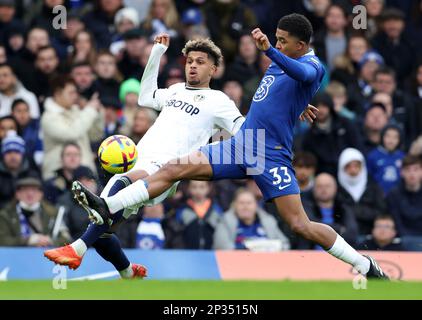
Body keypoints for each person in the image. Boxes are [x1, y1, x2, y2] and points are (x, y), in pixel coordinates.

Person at [73, 14, 388, 279]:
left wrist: (270, 52)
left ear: (300, 45)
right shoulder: (283, 60)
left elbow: (304, 74)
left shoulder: (310, 64)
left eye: (282, 41)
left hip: (270, 155)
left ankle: (364, 264)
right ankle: (109, 205)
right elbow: (287, 90)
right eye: (275, 39)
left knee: (299, 224)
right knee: (174, 167)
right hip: (242, 143)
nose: (277, 44)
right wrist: (299, 102)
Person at [45, 33, 317, 277]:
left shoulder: (219, 101)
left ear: (213, 68)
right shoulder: (175, 91)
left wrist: (290, 108)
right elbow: (146, 97)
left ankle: (75, 249)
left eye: (200, 61)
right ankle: (128, 272)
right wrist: (156, 54)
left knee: (114, 192)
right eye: (189, 61)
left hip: (165, 170)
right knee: (102, 226)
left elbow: (246, 132)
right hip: (141, 158)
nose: (193, 66)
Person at [0, 173, 71, 247]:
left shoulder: (53, 213)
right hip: (16, 256)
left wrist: (50, 241)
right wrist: (28, 240)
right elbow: (2, 240)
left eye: (34, 190)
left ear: (41, 194)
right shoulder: (6, 214)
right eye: (25, 190)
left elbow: (66, 238)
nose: (30, 194)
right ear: (17, 194)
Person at [213, 188, 290, 251]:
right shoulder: (225, 221)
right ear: (234, 205)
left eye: (249, 203)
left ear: (256, 205)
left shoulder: (268, 220)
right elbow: (222, 247)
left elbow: (285, 244)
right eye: (241, 203)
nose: (245, 207)